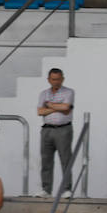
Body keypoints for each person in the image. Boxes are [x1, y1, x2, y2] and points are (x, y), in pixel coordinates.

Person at [36, 67, 75, 197]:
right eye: (53, 79)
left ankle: (67, 189)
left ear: (62, 79)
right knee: (46, 160)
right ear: (48, 79)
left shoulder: (69, 92)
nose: (56, 82)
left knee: (65, 159)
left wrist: (49, 105)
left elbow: (66, 108)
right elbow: (40, 111)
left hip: (63, 129)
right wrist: (57, 107)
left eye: (58, 79)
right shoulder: (43, 93)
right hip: (47, 129)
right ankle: (46, 189)